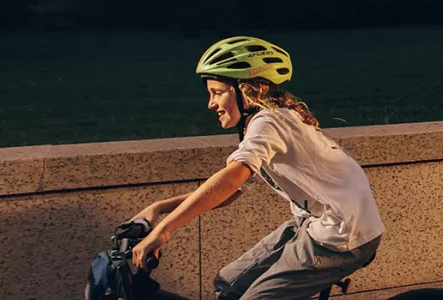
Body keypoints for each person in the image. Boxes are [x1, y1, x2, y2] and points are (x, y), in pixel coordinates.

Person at [129, 36, 385, 300]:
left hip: (343, 235)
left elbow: (229, 179)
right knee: (229, 285)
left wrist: (165, 229)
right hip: (315, 223)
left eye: (217, 92)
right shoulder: (265, 123)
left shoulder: (270, 121)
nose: (211, 103)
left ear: (247, 91)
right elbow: (230, 191)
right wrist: (158, 208)